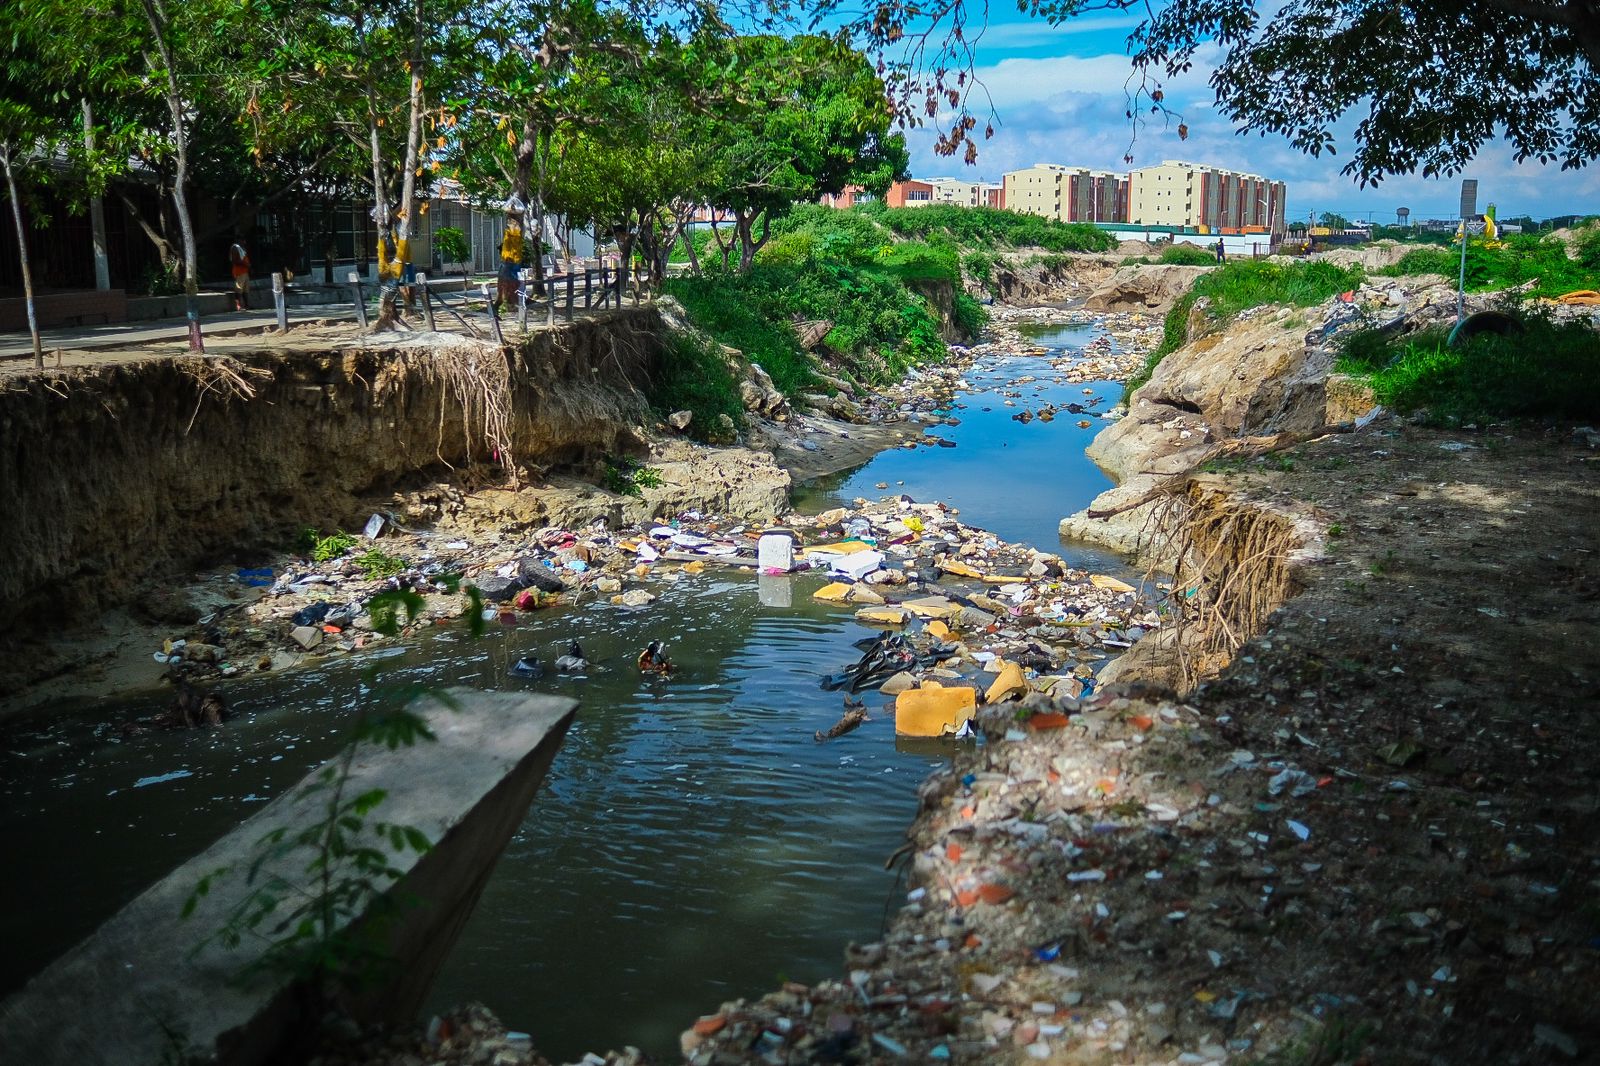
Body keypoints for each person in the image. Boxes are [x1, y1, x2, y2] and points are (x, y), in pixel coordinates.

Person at [498, 216, 524, 310]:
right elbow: (507, 247)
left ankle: (513, 302)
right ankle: (509, 302)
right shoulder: (508, 233)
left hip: (515, 260)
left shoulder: (517, 233)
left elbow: (517, 246)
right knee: (509, 282)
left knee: (514, 282)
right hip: (509, 260)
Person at [229, 235, 251, 311]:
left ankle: (246, 305)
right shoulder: (235, 248)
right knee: (239, 290)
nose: (244, 242)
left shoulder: (242, 248)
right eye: (243, 240)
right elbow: (234, 260)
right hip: (239, 272)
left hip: (245, 271)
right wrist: (245, 264)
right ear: (239, 240)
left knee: (246, 290)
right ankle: (239, 306)